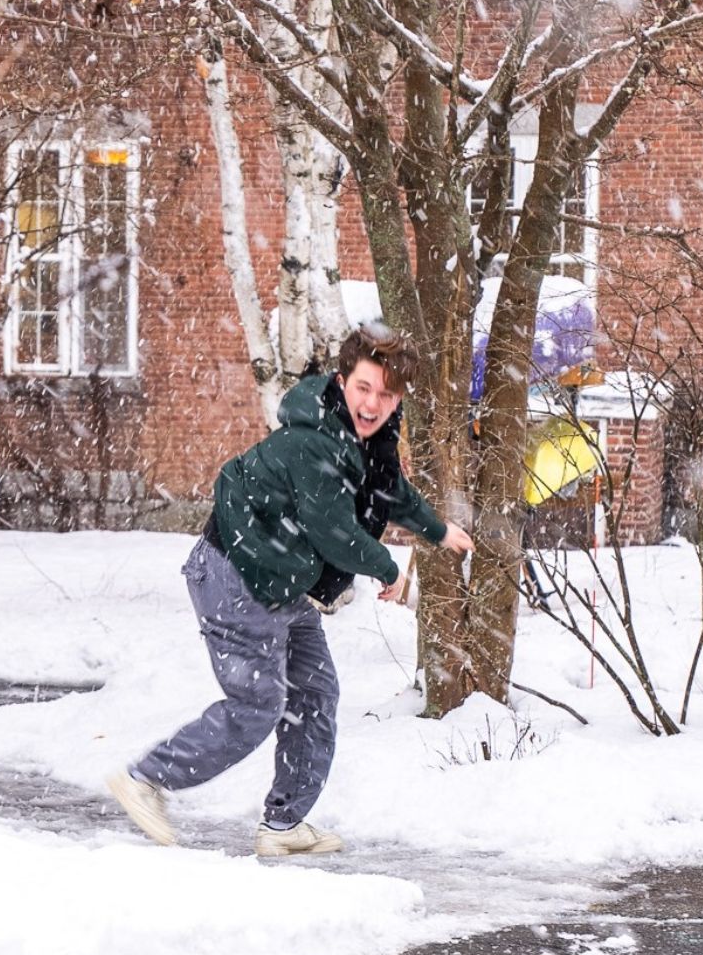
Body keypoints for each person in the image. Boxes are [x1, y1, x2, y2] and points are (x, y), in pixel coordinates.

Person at [106, 323, 474, 857]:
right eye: (364, 388)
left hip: (286, 583)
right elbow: (335, 532)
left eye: (387, 395)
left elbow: (389, 491)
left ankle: (283, 824)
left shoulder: (369, 441)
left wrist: (437, 530)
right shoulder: (314, 441)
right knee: (259, 703)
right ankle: (145, 778)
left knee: (315, 697)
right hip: (236, 573)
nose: (373, 404)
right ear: (342, 380)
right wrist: (388, 570)